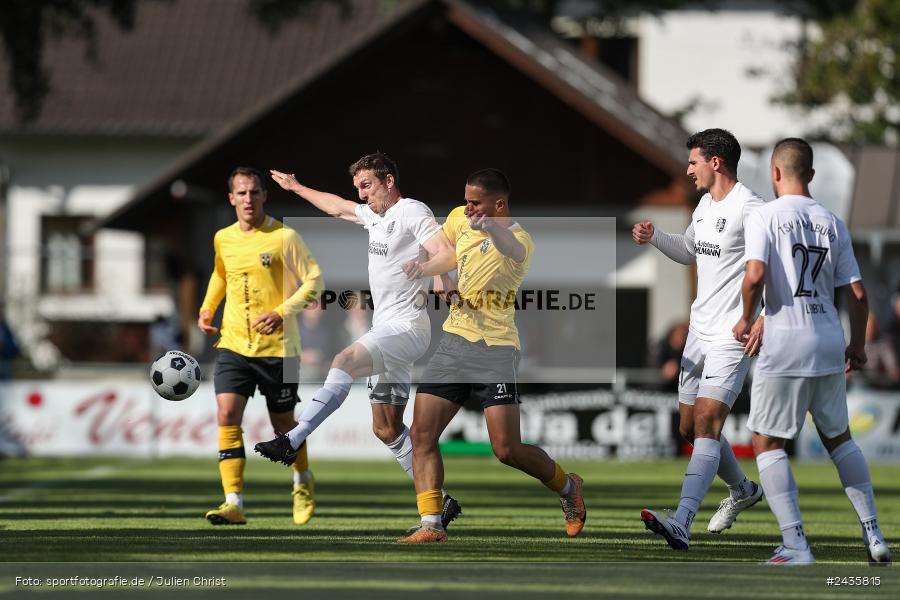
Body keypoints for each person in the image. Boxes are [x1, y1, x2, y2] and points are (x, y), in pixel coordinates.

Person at [256, 153, 463, 528]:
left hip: (406, 329)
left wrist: (429, 270)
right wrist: (297, 187)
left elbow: (447, 254)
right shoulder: (373, 215)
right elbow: (336, 207)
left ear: (388, 181)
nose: (362, 195)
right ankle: (441, 502)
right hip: (388, 331)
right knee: (386, 428)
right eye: (358, 188)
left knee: (344, 361)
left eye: (367, 185)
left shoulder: (412, 211)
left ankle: (294, 438)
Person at [398, 168, 586, 543]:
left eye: (476, 203)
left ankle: (568, 487)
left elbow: (510, 248)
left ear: (499, 205)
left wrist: (490, 228)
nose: (467, 208)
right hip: (453, 343)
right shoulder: (459, 218)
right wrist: (438, 276)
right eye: (466, 200)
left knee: (506, 449)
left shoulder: (519, 240)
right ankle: (432, 524)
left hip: (496, 351)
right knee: (421, 434)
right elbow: (438, 250)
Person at [733, 137, 892, 565]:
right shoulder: (833, 222)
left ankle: (796, 544)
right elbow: (858, 295)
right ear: (813, 175)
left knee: (767, 442)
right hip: (827, 340)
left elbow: (754, 276)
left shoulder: (765, 216)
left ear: (775, 173)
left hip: (784, 339)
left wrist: (746, 317)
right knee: (840, 439)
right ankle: (875, 534)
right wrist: (856, 344)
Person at [633, 128, 765, 550]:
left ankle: (682, 521)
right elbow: (689, 250)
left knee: (708, 422)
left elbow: (775, 268)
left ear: (715, 162)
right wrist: (656, 237)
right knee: (690, 428)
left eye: (693, 162)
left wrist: (762, 318)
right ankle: (743, 490)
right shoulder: (705, 205)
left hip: (733, 334)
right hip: (698, 332)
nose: (688, 170)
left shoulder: (752, 208)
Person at [198, 166, 324, 526]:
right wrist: (207, 308)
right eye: (241, 193)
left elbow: (315, 282)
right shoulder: (223, 238)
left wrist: (282, 312)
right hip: (234, 344)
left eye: (254, 192)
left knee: (283, 426)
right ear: (231, 199)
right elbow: (220, 274)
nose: (248, 199)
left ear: (264, 196)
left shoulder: (284, 236)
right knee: (226, 415)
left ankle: (302, 480)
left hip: (280, 349)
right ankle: (233, 502)